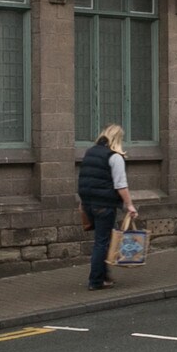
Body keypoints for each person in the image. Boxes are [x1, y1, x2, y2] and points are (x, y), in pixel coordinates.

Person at [77, 124, 136, 291]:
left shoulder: (90, 152)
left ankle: (105, 276)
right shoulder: (114, 157)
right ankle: (96, 281)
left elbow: (84, 179)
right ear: (118, 139)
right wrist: (130, 205)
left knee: (105, 240)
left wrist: (83, 202)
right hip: (104, 205)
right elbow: (121, 186)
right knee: (102, 243)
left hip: (88, 203)